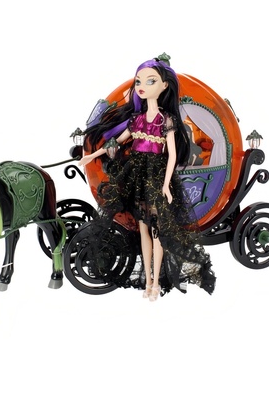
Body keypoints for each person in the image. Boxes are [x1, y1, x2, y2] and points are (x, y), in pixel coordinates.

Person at [79, 55, 216, 301]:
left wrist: (166, 184)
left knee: (157, 232)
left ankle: (156, 283)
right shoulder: (137, 119)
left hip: (157, 175)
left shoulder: (167, 120)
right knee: (143, 229)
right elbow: (117, 141)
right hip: (137, 174)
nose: (142, 86)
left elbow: (172, 155)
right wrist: (92, 155)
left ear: (164, 86)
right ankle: (148, 282)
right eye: (139, 81)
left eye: (150, 81)